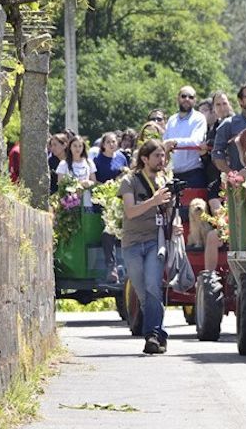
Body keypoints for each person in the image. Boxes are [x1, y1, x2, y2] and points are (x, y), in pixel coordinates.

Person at [119, 139, 176, 354]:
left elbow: (170, 211)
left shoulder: (165, 181)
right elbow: (130, 211)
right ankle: (158, 334)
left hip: (155, 241)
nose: (162, 160)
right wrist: (154, 200)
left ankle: (152, 335)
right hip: (132, 243)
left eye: (163, 156)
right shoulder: (129, 181)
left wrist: (175, 225)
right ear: (144, 158)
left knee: (153, 286)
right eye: (157, 156)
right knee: (143, 293)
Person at [93, 131, 128, 284]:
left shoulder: (122, 158)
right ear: (103, 145)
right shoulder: (97, 160)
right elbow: (94, 180)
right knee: (109, 231)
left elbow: (127, 176)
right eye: (108, 142)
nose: (112, 144)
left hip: (121, 198)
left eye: (114, 141)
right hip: (105, 200)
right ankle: (111, 266)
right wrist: (107, 187)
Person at [163, 85, 208, 190]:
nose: (187, 99)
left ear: (195, 100)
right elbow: (164, 143)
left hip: (193, 174)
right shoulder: (171, 120)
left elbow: (196, 141)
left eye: (191, 97)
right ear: (178, 98)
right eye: (183, 96)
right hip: (172, 175)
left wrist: (174, 142)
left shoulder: (199, 118)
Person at [212, 83, 246, 179]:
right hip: (239, 181)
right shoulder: (229, 124)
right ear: (240, 101)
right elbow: (217, 153)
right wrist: (231, 174)